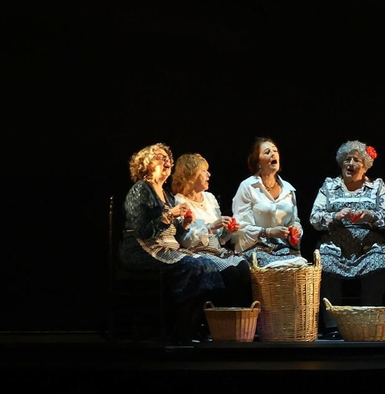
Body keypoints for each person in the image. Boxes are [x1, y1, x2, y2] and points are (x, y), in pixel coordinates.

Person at [119, 143, 247, 342]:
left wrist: (184, 224)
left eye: (168, 158)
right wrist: (170, 215)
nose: (168, 161)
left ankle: (191, 325)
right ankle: (181, 329)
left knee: (206, 264)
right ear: (146, 164)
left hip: (167, 248)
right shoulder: (140, 190)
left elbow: (174, 232)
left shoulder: (166, 194)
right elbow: (142, 231)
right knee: (193, 266)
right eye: (161, 158)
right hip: (142, 250)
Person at [310, 140, 385, 336]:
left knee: (378, 259)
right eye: (346, 159)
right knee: (326, 261)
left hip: (367, 244)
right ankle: (333, 326)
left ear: (364, 166)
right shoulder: (329, 186)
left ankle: (367, 323)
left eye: (356, 160)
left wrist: (370, 216)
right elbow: (314, 218)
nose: (350, 163)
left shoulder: (376, 186)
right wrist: (335, 216)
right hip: (336, 243)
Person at [169, 152, 249, 303]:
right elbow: (184, 240)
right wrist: (211, 227)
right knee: (230, 273)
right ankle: (222, 319)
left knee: (244, 268)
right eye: (204, 171)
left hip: (217, 250)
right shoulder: (180, 201)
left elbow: (220, 238)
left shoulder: (210, 198)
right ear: (191, 175)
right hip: (197, 253)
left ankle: (242, 319)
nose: (209, 174)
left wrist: (228, 230)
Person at [231, 137, 306, 267]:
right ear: (258, 162)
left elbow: (294, 220)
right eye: (267, 152)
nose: (273, 154)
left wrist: (295, 230)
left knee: (301, 266)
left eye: (275, 151)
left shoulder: (288, 189)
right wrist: (269, 232)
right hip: (255, 248)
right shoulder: (248, 186)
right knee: (280, 267)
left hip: (282, 247)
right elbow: (241, 226)